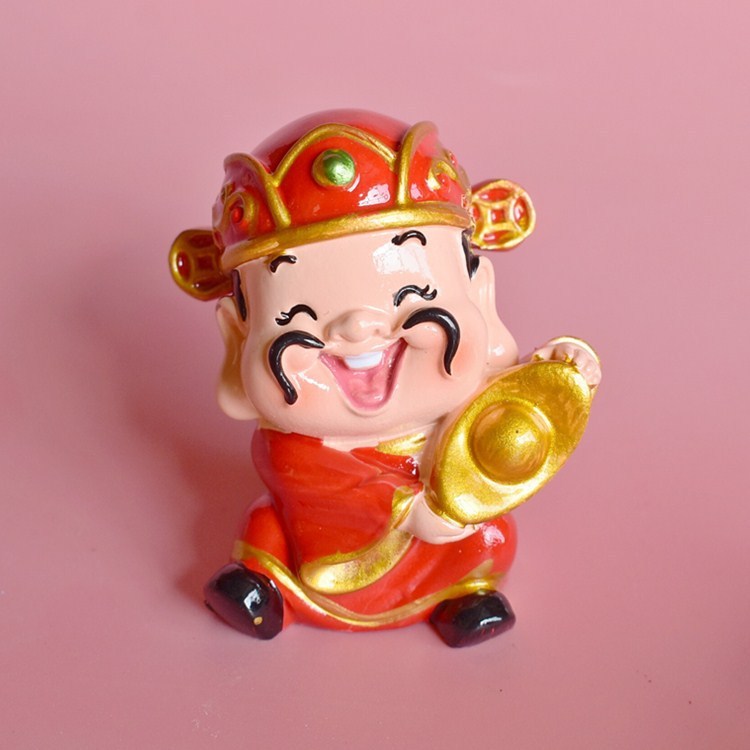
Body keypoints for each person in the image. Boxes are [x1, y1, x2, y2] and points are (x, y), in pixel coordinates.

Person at [170, 110, 601, 647]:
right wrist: (412, 509)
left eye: (409, 296)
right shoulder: (294, 449)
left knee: (490, 535)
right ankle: (267, 588)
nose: (357, 328)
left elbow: (508, 418)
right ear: (239, 337)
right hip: (324, 550)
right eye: (297, 314)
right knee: (266, 528)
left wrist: (556, 376)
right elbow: (314, 489)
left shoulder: (457, 389)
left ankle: (466, 595)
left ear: (480, 298)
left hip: (447, 530)